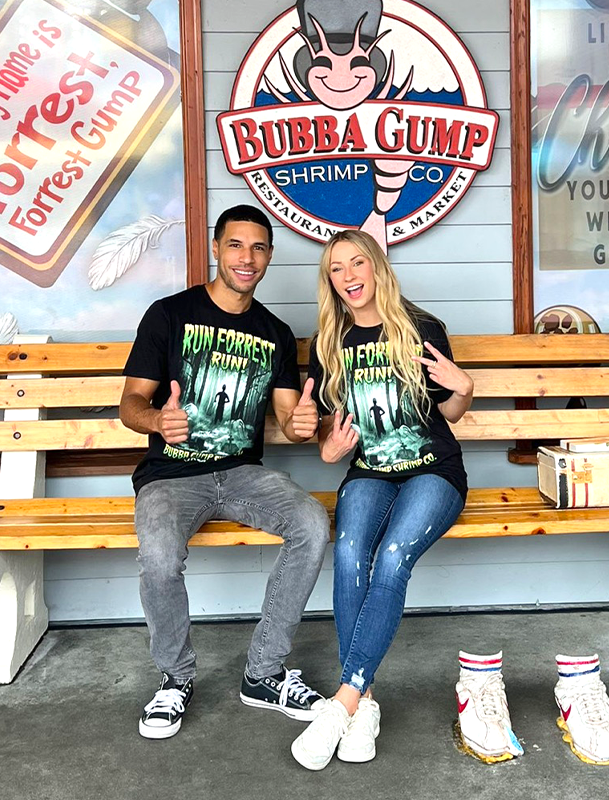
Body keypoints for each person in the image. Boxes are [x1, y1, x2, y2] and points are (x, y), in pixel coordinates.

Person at [120, 204, 331, 740]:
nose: (247, 257)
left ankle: (264, 673)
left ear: (269, 258)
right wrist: (157, 420)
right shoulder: (168, 315)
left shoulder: (276, 332)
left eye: (259, 247)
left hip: (242, 474)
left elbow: (288, 416)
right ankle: (175, 678)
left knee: (310, 523)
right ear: (215, 249)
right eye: (236, 245)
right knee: (160, 556)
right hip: (171, 475)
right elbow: (130, 405)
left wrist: (304, 422)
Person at [291, 229, 476, 770]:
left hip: (433, 470)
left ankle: (343, 701)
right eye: (336, 269)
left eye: (357, 264)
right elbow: (331, 432)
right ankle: (365, 704)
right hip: (369, 470)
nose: (348, 277)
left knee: (392, 557)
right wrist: (328, 450)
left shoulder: (422, 329)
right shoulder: (329, 343)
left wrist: (462, 388)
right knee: (349, 553)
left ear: (377, 267)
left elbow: (451, 413)